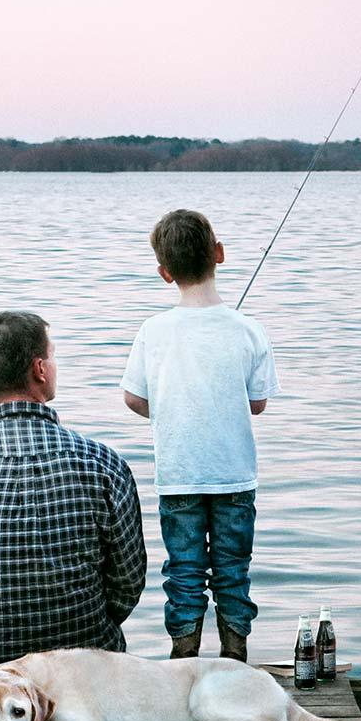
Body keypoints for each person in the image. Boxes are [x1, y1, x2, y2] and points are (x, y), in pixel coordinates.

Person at [0, 310, 146, 682]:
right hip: (85, 672)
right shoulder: (102, 464)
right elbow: (128, 581)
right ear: (40, 369)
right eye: (52, 356)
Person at [121, 208, 280, 660]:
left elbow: (133, 399)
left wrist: (167, 408)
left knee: (185, 571)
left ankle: (183, 661)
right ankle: (235, 659)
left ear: (164, 272)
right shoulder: (249, 329)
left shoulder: (152, 331)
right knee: (233, 571)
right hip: (234, 477)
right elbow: (258, 403)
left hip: (179, 476)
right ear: (220, 254)